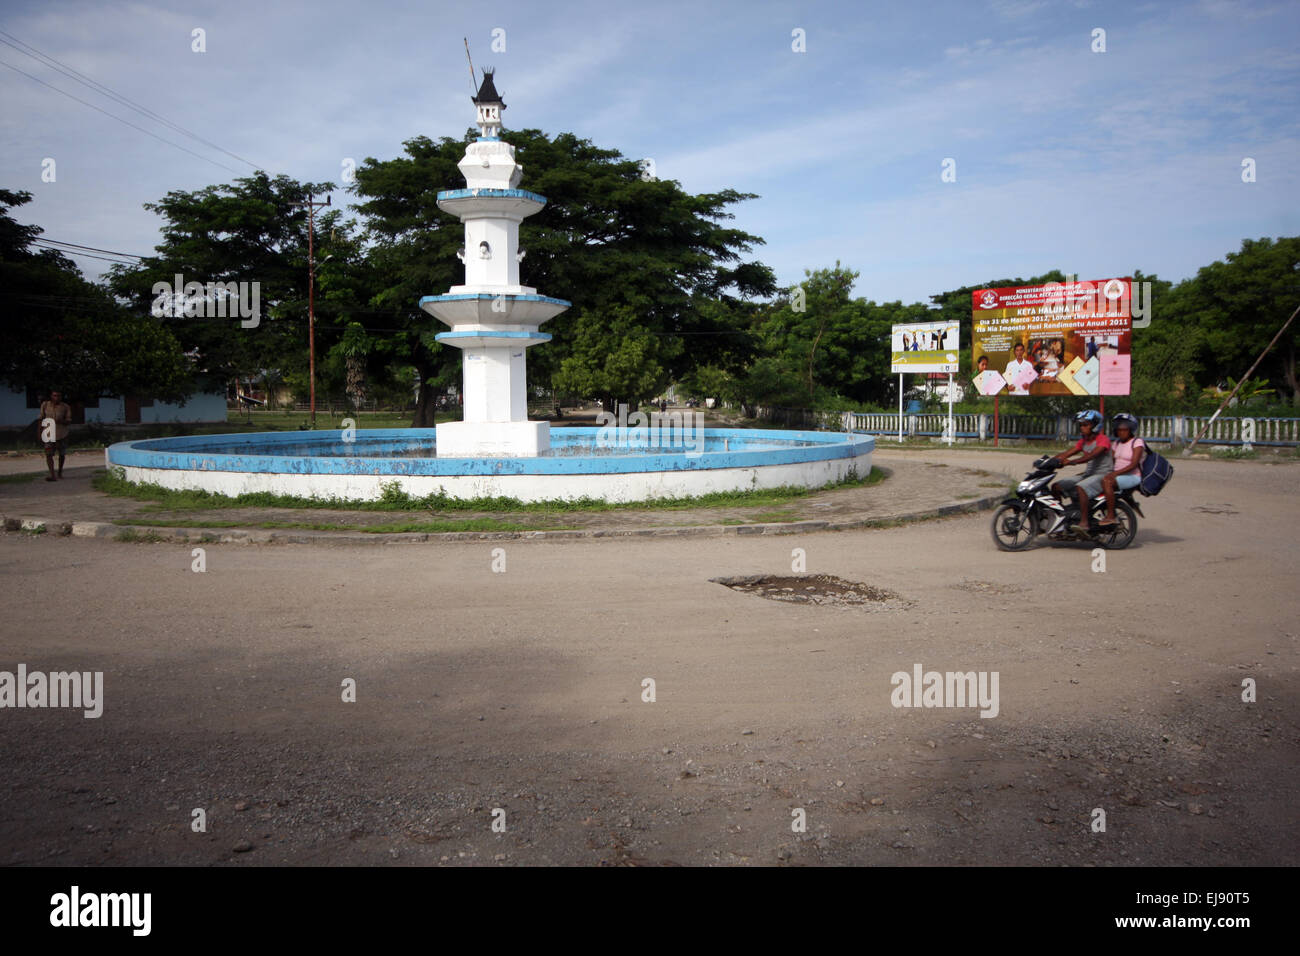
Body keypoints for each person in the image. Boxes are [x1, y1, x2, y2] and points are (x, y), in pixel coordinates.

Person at [1049, 409, 1113, 534]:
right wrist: (1049, 461)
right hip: (1088, 474)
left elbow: (1091, 456)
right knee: (1056, 486)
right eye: (1081, 425)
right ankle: (1061, 518)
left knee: (1081, 487)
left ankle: (1084, 523)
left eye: (1085, 425)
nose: (1082, 428)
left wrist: (1071, 462)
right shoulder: (1083, 441)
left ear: (1095, 425)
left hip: (1102, 474)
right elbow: (1067, 453)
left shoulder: (1103, 439)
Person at [1099, 413, 1145, 528]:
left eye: (1124, 429)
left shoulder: (1137, 442)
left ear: (1130, 430)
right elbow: (1111, 461)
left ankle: (1111, 516)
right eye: (1119, 429)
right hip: (1118, 475)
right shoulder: (1117, 443)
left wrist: (1114, 474)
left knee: (1107, 481)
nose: (1121, 432)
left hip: (1132, 476)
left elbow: (1133, 464)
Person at [38, 389, 72, 481]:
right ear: (51, 396)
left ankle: (60, 472)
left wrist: (62, 421)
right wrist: (39, 432)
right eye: (54, 395)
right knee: (48, 454)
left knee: (61, 454)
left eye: (59, 396)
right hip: (48, 432)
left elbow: (69, 420)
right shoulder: (45, 405)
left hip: (61, 433)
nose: (56, 398)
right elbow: (41, 419)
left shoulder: (65, 407)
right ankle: (52, 474)